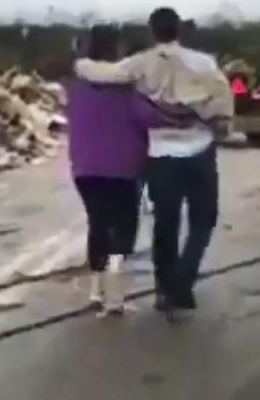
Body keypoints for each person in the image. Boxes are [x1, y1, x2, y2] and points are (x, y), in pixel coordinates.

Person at [74, 8, 232, 313]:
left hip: (157, 155)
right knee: (202, 220)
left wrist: (81, 64)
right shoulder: (203, 63)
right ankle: (181, 281)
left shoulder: (138, 65)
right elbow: (222, 98)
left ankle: (157, 290)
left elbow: (104, 73)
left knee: (163, 224)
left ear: (151, 31)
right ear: (180, 30)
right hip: (197, 150)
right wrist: (217, 122)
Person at [65, 24, 189, 315]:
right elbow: (156, 117)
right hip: (123, 169)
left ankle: (96, 291)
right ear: (116, 50)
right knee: (122, 229)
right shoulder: (129, 89)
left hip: (85, 168)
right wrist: (192, 118)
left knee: (97, 224)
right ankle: (115, 296)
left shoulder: (77, 86)